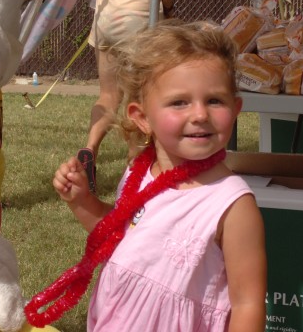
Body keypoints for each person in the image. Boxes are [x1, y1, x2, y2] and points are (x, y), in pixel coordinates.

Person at [52, 21, 267, 331]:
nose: (199, 115)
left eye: (214, 100)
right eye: (179, 102)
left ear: (235, 109)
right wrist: (82, 200)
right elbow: (121, 240)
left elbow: (248, 303)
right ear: (142, 118)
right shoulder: (140, 172)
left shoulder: (232, 204)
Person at [78, 0, 179, 192]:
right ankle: (133, 171)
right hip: (141, 21)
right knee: (140, 101)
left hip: (106, 18)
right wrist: (168, 9)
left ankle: (89, 150)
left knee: (108, 97)